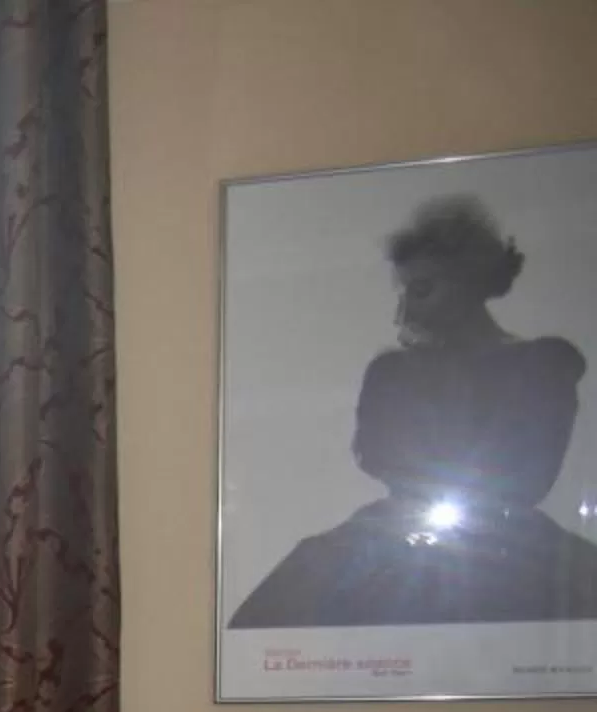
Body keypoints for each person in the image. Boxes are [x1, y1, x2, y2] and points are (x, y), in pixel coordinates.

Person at [231, 196, 597, 630]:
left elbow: (528, 474)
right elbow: (377, 455)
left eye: (423, 289)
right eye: (405, 291)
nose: (406, 310)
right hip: (396, 531)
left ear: (470, 281)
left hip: (508, 541)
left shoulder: (541, 366)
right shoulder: (393, 372)